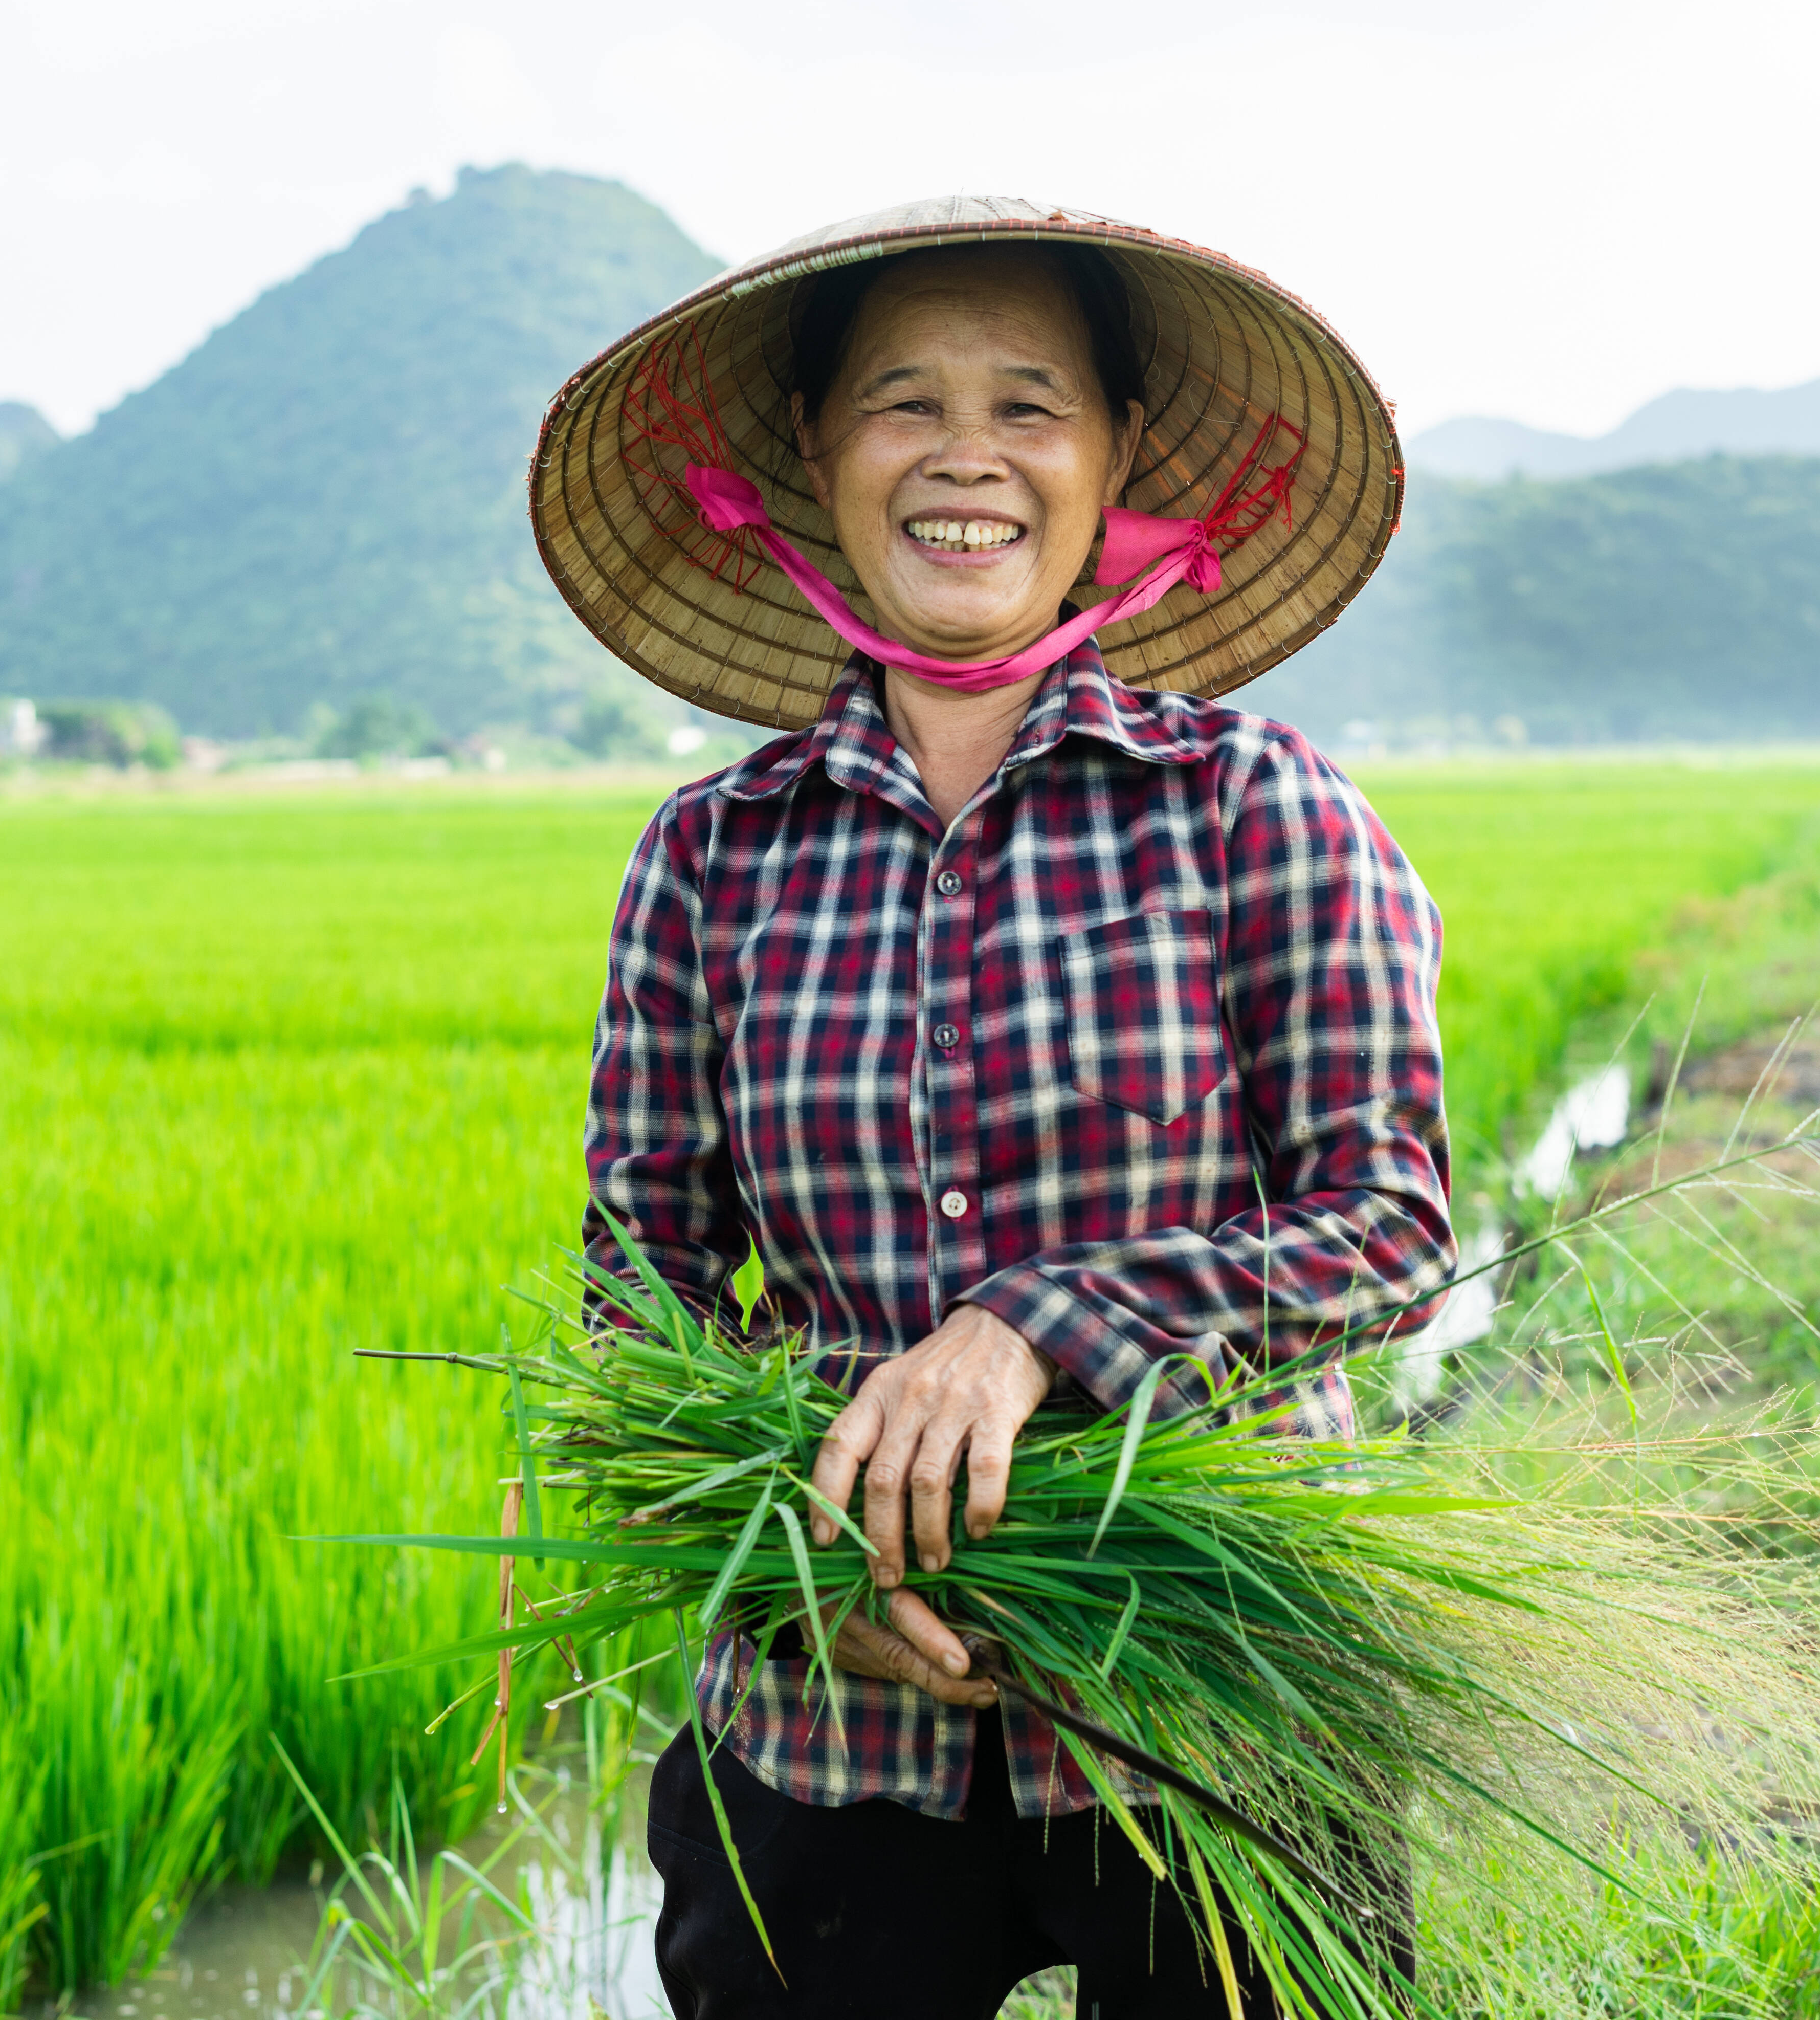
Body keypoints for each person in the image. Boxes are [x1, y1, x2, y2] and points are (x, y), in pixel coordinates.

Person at [532, 198, 1452, 2018]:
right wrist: (796, 1580)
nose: (967, 455)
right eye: (905, 403)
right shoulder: (713, 855)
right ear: (817, 455)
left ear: (1116, 460)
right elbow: (635, 1308)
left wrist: (1032, 1329)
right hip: (822, 1719)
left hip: (1212, 1704)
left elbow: (1391, 1228)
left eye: (1030, 406)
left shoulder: (1252, 805)